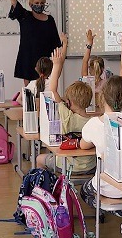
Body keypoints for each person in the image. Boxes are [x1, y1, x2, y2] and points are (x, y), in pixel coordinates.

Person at [80, 26, 122, 198]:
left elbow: (83, 145)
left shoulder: (93, 124)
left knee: (84, 190)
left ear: (102, 97)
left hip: (107, 188)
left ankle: (114, 209)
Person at [36, 36, 96, 175]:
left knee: (40, 159)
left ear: (69, 102)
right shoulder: (94, 122)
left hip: (65, 166)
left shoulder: (66, 115)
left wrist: (56, 65)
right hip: (90, 167)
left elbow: (52, 89)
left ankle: (47, 189)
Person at [5, 0, 61, 86]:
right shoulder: (25, 16)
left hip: (45, 62)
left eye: (42, 3)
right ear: (30, 4)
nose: (39, 5)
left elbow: (55, 42)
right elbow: (14, 3)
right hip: (28, 59)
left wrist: (56, 62)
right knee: (29, 92)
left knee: (46, 89)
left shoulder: (49, 19)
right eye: (36, 3)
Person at [82, 29, 109, 93]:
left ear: (89, 69)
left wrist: (89, 44)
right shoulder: (107, 84)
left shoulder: (86, 82)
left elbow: (84, 61)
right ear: (102, 69)